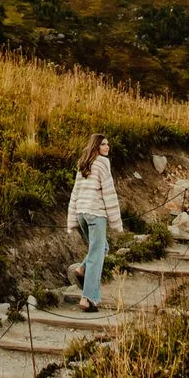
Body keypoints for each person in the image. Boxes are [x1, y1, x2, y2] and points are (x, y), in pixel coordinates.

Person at [66, 133, 122, 311]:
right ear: (96, 146)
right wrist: (116, 221)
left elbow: (75, 193)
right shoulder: (103, 163)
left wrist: (73, 217)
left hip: (82, 213)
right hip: (95, 214)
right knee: (96, 256)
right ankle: (88, 298)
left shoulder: (84, 164)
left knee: (101, 248)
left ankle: (81, 269)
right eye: (103, 144)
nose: (107, 147)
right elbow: (109, 192)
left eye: (107, 144)